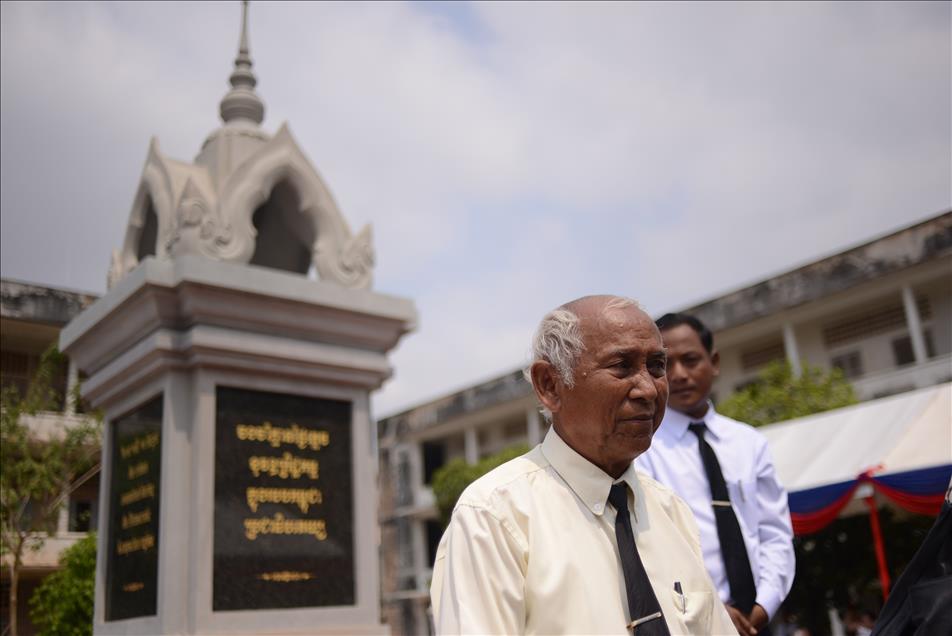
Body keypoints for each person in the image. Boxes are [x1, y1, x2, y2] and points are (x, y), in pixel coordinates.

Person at [430, 296, 735, 634]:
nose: (648, 389)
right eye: (622, 366)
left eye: (656, 366)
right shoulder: (494, 516)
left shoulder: (672, 512)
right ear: (550, 385)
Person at [635, 313, 795, 636]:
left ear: (715, 362)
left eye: (691, 360)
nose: (679, 375)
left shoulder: (749, 443)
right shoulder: (643, 451)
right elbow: (654, 548)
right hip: (694, 622)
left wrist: (763, 607)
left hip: (761, 620)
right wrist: (714, 609)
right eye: (665, 365)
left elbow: (775, 534)